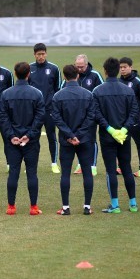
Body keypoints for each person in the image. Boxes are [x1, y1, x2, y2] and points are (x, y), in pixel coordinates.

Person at [0, 61, 45, 215]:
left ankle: (11, 207)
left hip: (13, 141)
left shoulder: (6, 94)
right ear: (29, 73)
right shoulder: (37, 93)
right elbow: (40, 117)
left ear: (15, 74)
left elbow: (3, 118)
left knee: (13, 173)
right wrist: (29, 135)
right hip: (30, 141)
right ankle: (33, 207)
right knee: (32, 172)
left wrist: (11, 135)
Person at [93, 57, 139, 214]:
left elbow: (96, 114)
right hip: (124, 137)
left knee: (110, 170)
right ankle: (133, 204)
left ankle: (115, 205)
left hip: (107, 137)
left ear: (105, 71)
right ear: (118, 70)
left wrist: (109, 129)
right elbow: (134, 112)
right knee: (126, 168)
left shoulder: (98, 91)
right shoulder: (128, 90)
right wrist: (124, 129)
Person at [52, 64, 95, 216]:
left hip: (66, 141)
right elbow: (91, 118)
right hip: (84, 141)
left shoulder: (58, 96)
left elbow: (57, 119)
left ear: (64, 77)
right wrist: (79, 135)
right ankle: (87, 207)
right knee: (87, 172)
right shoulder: (88, 95)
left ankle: (65, 208)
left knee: (65, 173)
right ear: (77, 75)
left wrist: (70, 135)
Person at [29, 43, 61, 173]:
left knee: (51, 136)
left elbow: (58, 90)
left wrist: (55, 107)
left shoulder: (54, 68)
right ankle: (32, 165)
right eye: (38, 54)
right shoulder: (29, 68)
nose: (41, 57)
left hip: (49, 110)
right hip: (34, 110)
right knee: (32, 138)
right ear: (34, 55)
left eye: (43, 54)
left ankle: (54, 163)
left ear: (46, 54)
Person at [70, 54, 103, 176]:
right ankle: (80, 164)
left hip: (91, 114)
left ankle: (93, 166)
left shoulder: (95, 75)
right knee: (78, 138)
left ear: (87, 64)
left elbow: (101, 92)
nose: (79, 69)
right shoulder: (73, 75)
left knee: (91, 139)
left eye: (81, 67)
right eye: (77, 66)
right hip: (76, 115)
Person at [119, 57, 140, 177]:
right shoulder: (118, 81)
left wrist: (139, 114)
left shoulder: (137, 81)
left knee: (139, 143)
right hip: (121, 119)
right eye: (120, 67)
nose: (122, 69)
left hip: (134, 119)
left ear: (131, 67)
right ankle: (121, 167)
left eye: (125, 67)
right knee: (123, 143)